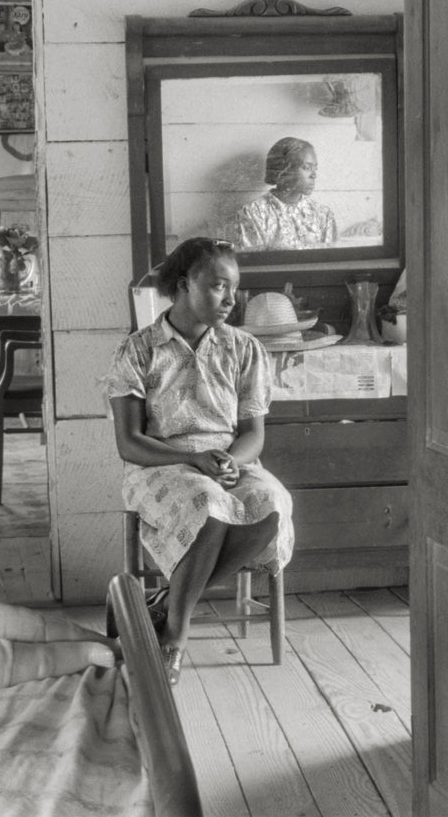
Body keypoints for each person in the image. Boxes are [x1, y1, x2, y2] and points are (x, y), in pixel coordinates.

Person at [103, 237, 294, 685]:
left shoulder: (244, 350)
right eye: (217, 286)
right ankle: (176, 638)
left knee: (270, 506)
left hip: (228, 461)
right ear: (184, 284)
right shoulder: (138, 350)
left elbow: (253, 435)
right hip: (159, 465)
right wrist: (194, 459)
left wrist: (227, 459)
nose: (230, 299)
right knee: (207, 505)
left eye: (234, 288)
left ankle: (167, 606)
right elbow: (129, 443)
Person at [223, 137, 337, 251]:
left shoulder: (323, 215)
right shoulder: (252, 213)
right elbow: (252, 262)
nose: (313, 175)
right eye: (306, 168)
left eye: (315, 169)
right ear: (283, 169)